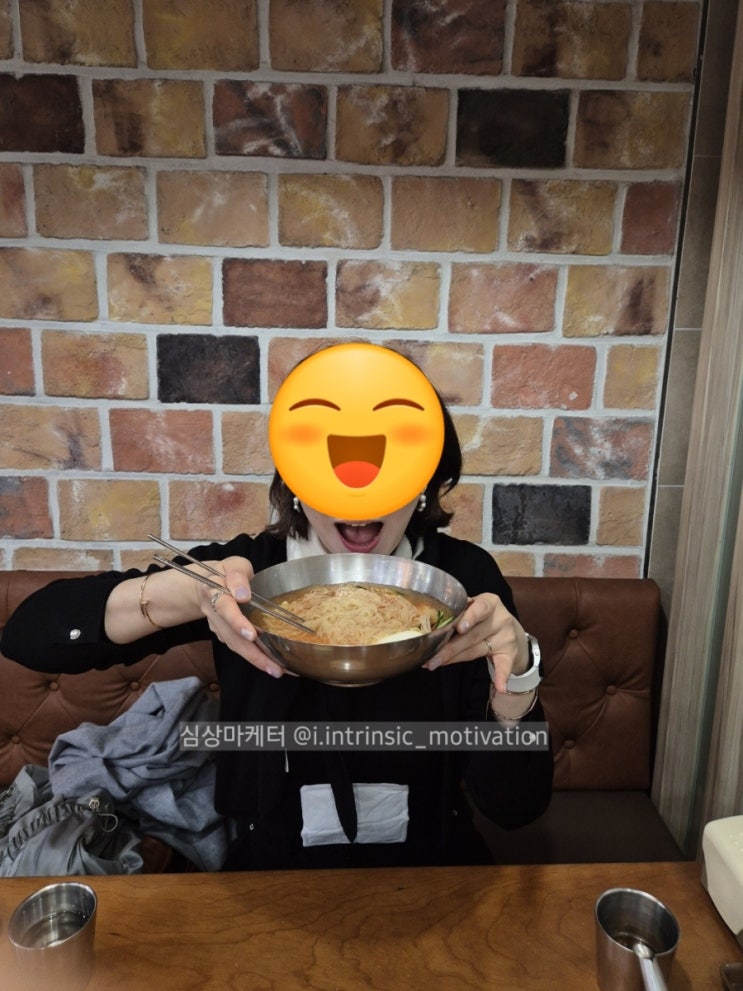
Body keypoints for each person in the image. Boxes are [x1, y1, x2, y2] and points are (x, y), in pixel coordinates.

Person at [1, 352, 553, 871]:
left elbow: (517, 806)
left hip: (432, 862)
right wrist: (193, 593)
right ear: (292, 477)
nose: (360, 493)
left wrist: (518, 677)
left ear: (425, 480)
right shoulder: (252, 573)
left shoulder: (461, 583)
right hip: (269, 866)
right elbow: (30, 634)